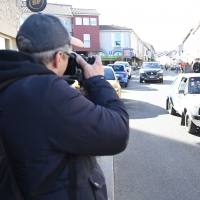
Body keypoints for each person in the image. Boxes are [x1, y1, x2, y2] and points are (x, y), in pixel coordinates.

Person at [0, 13, 129, 200]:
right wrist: (98, 80)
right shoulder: (47, 93)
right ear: (58, 57)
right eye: (69, 55)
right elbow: (118, 132)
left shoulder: (10, 83)